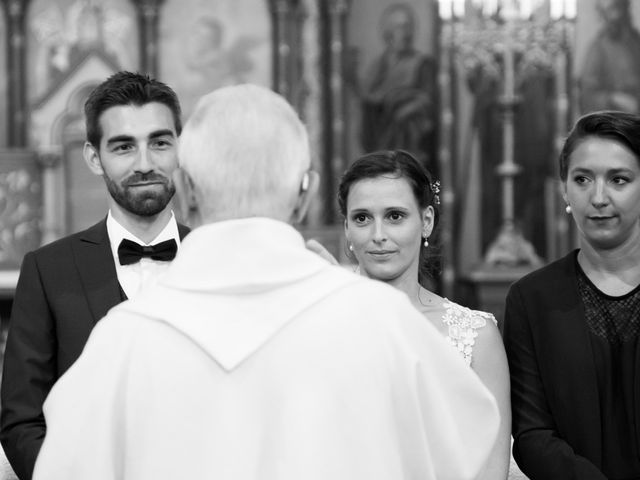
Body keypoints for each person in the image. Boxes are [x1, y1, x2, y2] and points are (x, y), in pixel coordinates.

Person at [32, 84, 499, 480]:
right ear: (306, 193)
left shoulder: (122, 341)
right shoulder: (385, 325)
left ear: (187, 190)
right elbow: (467, 453)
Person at [0, 71, 189, 480]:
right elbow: (20, 421)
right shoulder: (47, 270)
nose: (145, 163)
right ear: (93, 157)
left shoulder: (217, 258)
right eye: (123, 147)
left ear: (181, 147)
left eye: (159, 142)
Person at [336, 149, 511, 480]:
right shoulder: (320, 325)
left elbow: (491, 465)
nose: (378, 234)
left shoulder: (476, 335)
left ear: (426, 220)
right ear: (346, 228)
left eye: (395, 216)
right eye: (362, 218)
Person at [504, 110, 640, 479]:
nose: (598, 197)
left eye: (619, 179)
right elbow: (532, 434)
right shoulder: (531, 299)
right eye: (582, 179)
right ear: (564, 189)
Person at [357, 3, 436, 172]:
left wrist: (405, 109)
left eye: (409, 27)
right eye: (401, 27)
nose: (407, 33)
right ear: (388, 32)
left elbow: (427, 100)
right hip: (379, 144)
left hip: (412, 145)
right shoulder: (377, 66)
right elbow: (368, 98)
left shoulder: (422, 64)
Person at [579, 0, 640, 113]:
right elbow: (588, 95)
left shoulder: (636, 42)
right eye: (610, 11)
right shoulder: (598, 48)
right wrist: (615, 98)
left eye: (618, 9)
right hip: (616, 119)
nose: (616, 16)